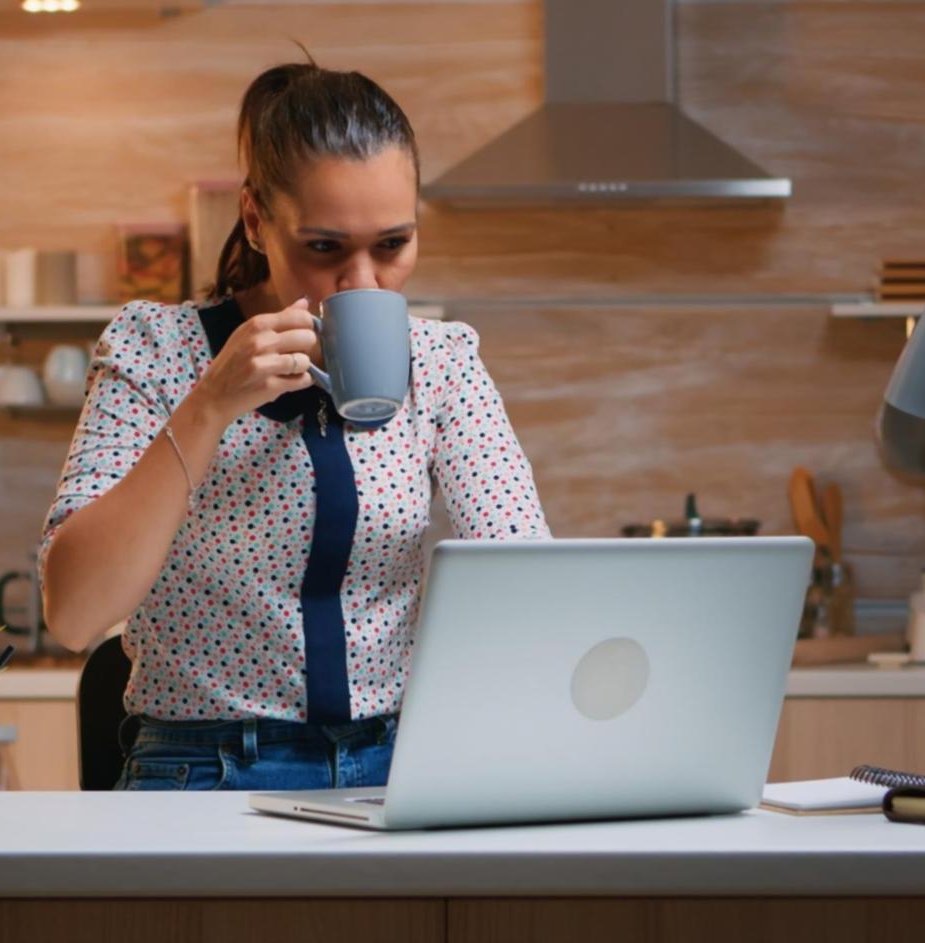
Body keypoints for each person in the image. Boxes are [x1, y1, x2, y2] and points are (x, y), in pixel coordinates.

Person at [38, 59, 550, 791]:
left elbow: (526, 574)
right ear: (254, 219)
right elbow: (75, 611)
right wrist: (210, 405)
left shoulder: (443, 361)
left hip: (399, 767)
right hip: (197, 768)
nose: (363, 283)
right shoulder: (153, 348)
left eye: (391, 245)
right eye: (324, 248)